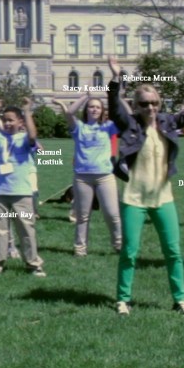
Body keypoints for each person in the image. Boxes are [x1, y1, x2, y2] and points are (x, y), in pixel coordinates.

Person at [108, 56, 184, 316]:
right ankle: (122, 299)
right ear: (136, 106)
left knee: (173, 252)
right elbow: (115, 109)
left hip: (164, 199)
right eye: (144, 104)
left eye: (154, 103)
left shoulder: (169, 122)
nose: (150, 108)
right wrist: (116, 79)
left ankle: (180, 299)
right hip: (134, 199)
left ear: (160, 104)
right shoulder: (130, 124)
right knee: (129, 252)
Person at [0, 98, 45, 277]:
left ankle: (33, 264)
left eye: (12, 120)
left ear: (20, 123)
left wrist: (27, 111)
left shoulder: (24, 139)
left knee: (26, 229)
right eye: (6, 120)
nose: (8, 123)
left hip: (21, 192)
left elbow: (33, 137)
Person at [65, 93, 122, 257]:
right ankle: (80, 249)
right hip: (83, 178)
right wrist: (85, 96)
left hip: (105, 176)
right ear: (86, 110)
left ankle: (119, 245)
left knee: (112, 214)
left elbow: (127, 118)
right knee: (82, 216)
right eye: (91, 106)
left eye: (98, 107)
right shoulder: (79, 127)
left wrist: (118, 99)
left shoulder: (108, 126)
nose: (94, 109)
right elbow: (69, 113)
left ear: (102, 110)